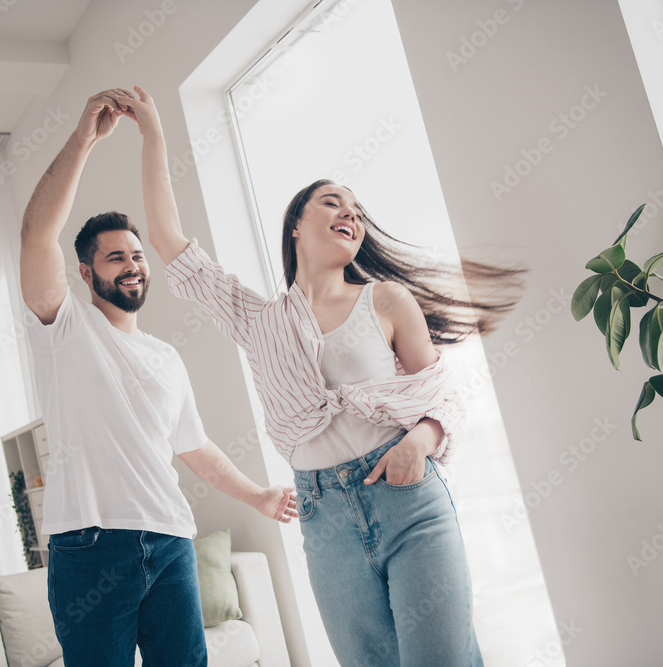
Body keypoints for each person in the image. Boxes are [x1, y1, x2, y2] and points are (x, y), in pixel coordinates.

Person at [109, 84, 522, 666]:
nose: (349, 214)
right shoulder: (259, 319)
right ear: (296, 226)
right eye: (332, 203)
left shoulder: (387, 300)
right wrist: (153, 134)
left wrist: (419, 444)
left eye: (356, 210)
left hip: (408, 498)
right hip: (323, 518)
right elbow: (169, 242)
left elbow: (442, 397)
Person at [19, 89, 297, 667]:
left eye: (137, 256)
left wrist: (259, 495)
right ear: (86, 271)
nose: (132, 265)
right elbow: (35, 235)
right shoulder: (64, 327)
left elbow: (194, 449)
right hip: (89, 548)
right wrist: (84, 139)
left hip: (170, 541)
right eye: (115, 256)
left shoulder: (166, 357)